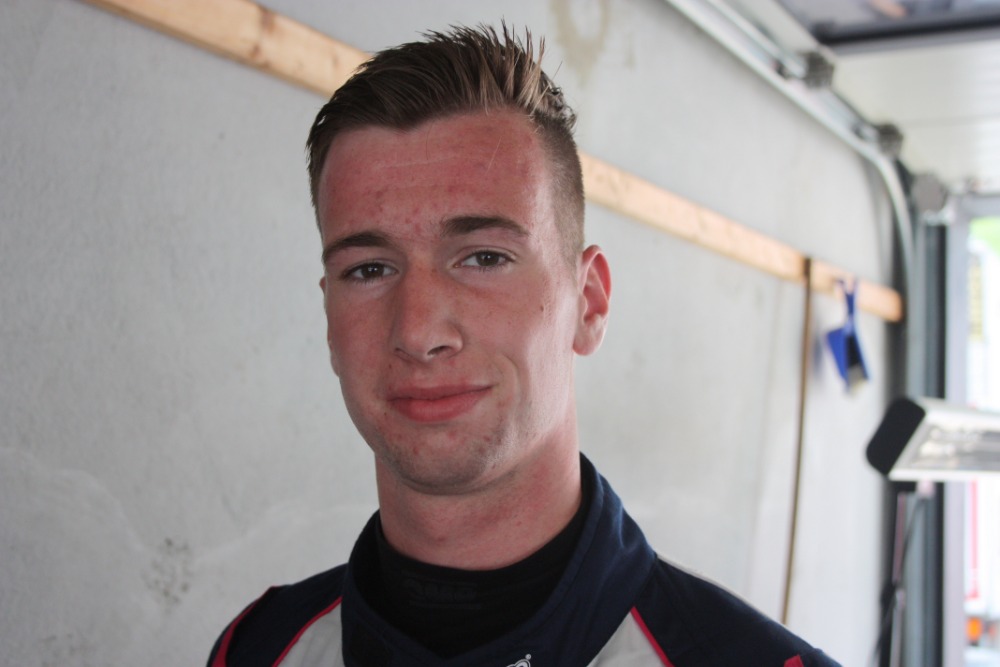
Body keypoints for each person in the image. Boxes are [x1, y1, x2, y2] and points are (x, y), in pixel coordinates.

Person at [208, 24, 841, 667]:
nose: (419, 333)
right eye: (369, 269)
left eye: (484, 257)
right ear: (329, 318)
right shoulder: (255, 651)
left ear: (589, 302)